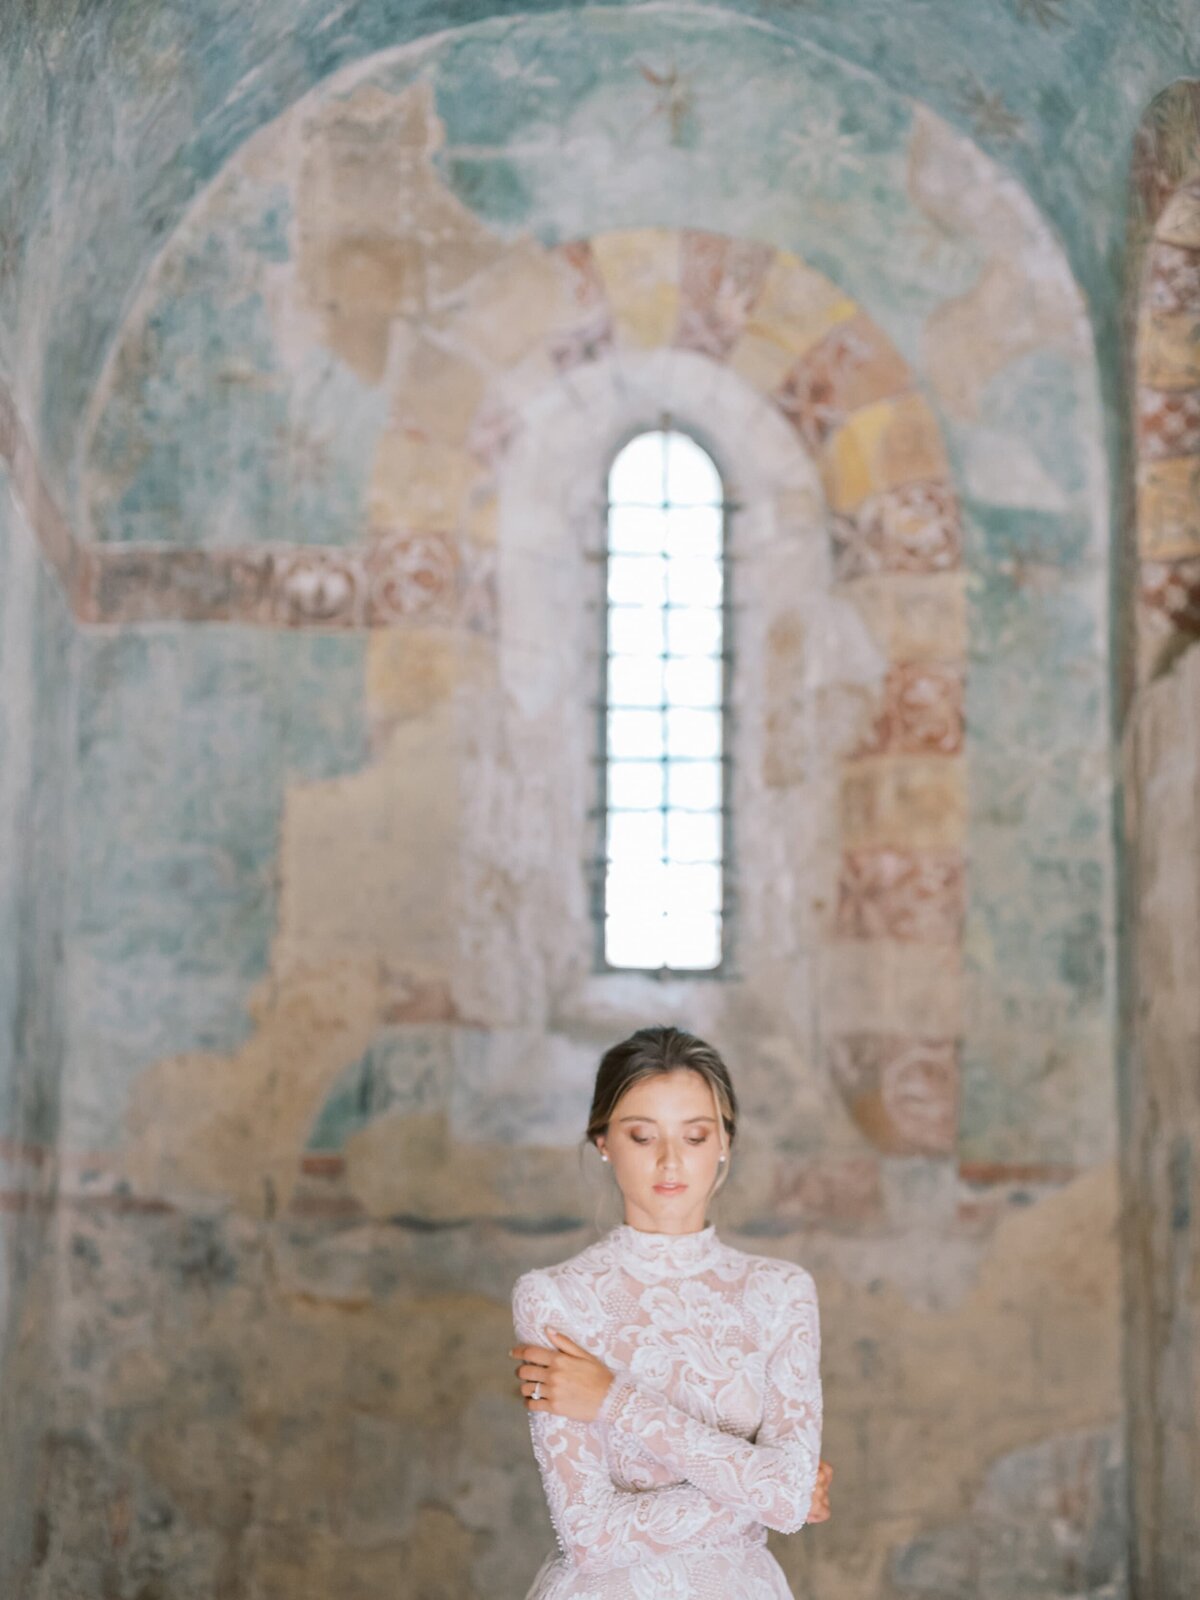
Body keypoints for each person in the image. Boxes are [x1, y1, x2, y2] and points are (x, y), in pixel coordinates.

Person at [508, 1024, 832, 1599]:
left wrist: (614, 1400)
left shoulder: (782, 1292)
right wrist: (766, 1489)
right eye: (641, 1136)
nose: (669, 1162)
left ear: (724, 1142)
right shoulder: (554, 1298)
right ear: (603, 1140)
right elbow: (591, 1536)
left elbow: (789, 1492)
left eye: (695, 1136)